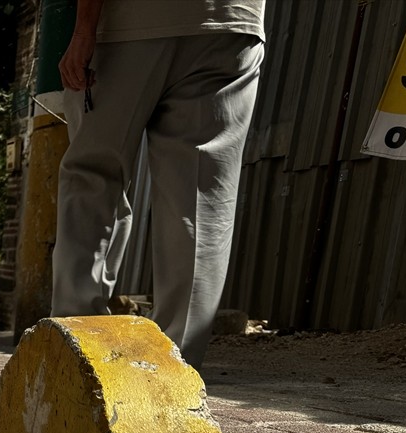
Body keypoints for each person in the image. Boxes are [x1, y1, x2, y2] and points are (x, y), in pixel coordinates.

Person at [51, 0, 265, 368]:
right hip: (231, 24)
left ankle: (76, 355)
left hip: (131, 23)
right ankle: (174, 372)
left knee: (94, 177)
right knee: (200, 198)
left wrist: (84, 29)